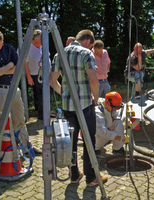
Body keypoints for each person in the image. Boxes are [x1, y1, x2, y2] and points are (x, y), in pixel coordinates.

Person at [50, 29, 107, 186]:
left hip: (68, 107)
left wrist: (66, 94)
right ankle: (91, 177)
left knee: (71, 141)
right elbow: (94, 81)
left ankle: (74, 175)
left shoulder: (59, 54)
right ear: (88, 41)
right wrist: (95, 99)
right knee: (89, 140)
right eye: (91, 45)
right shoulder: (86, 54)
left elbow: (52, 81)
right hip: (85, 106)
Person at [25, 29, 44, 120]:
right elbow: (25, 63)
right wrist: (29, 77)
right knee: (40, 94)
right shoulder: (28, 47)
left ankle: (43, 111)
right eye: (41, 37)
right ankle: (41, 114)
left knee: (42, 93)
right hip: (35, 74)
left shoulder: (42, 47)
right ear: (35, 38)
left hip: (44, 74)